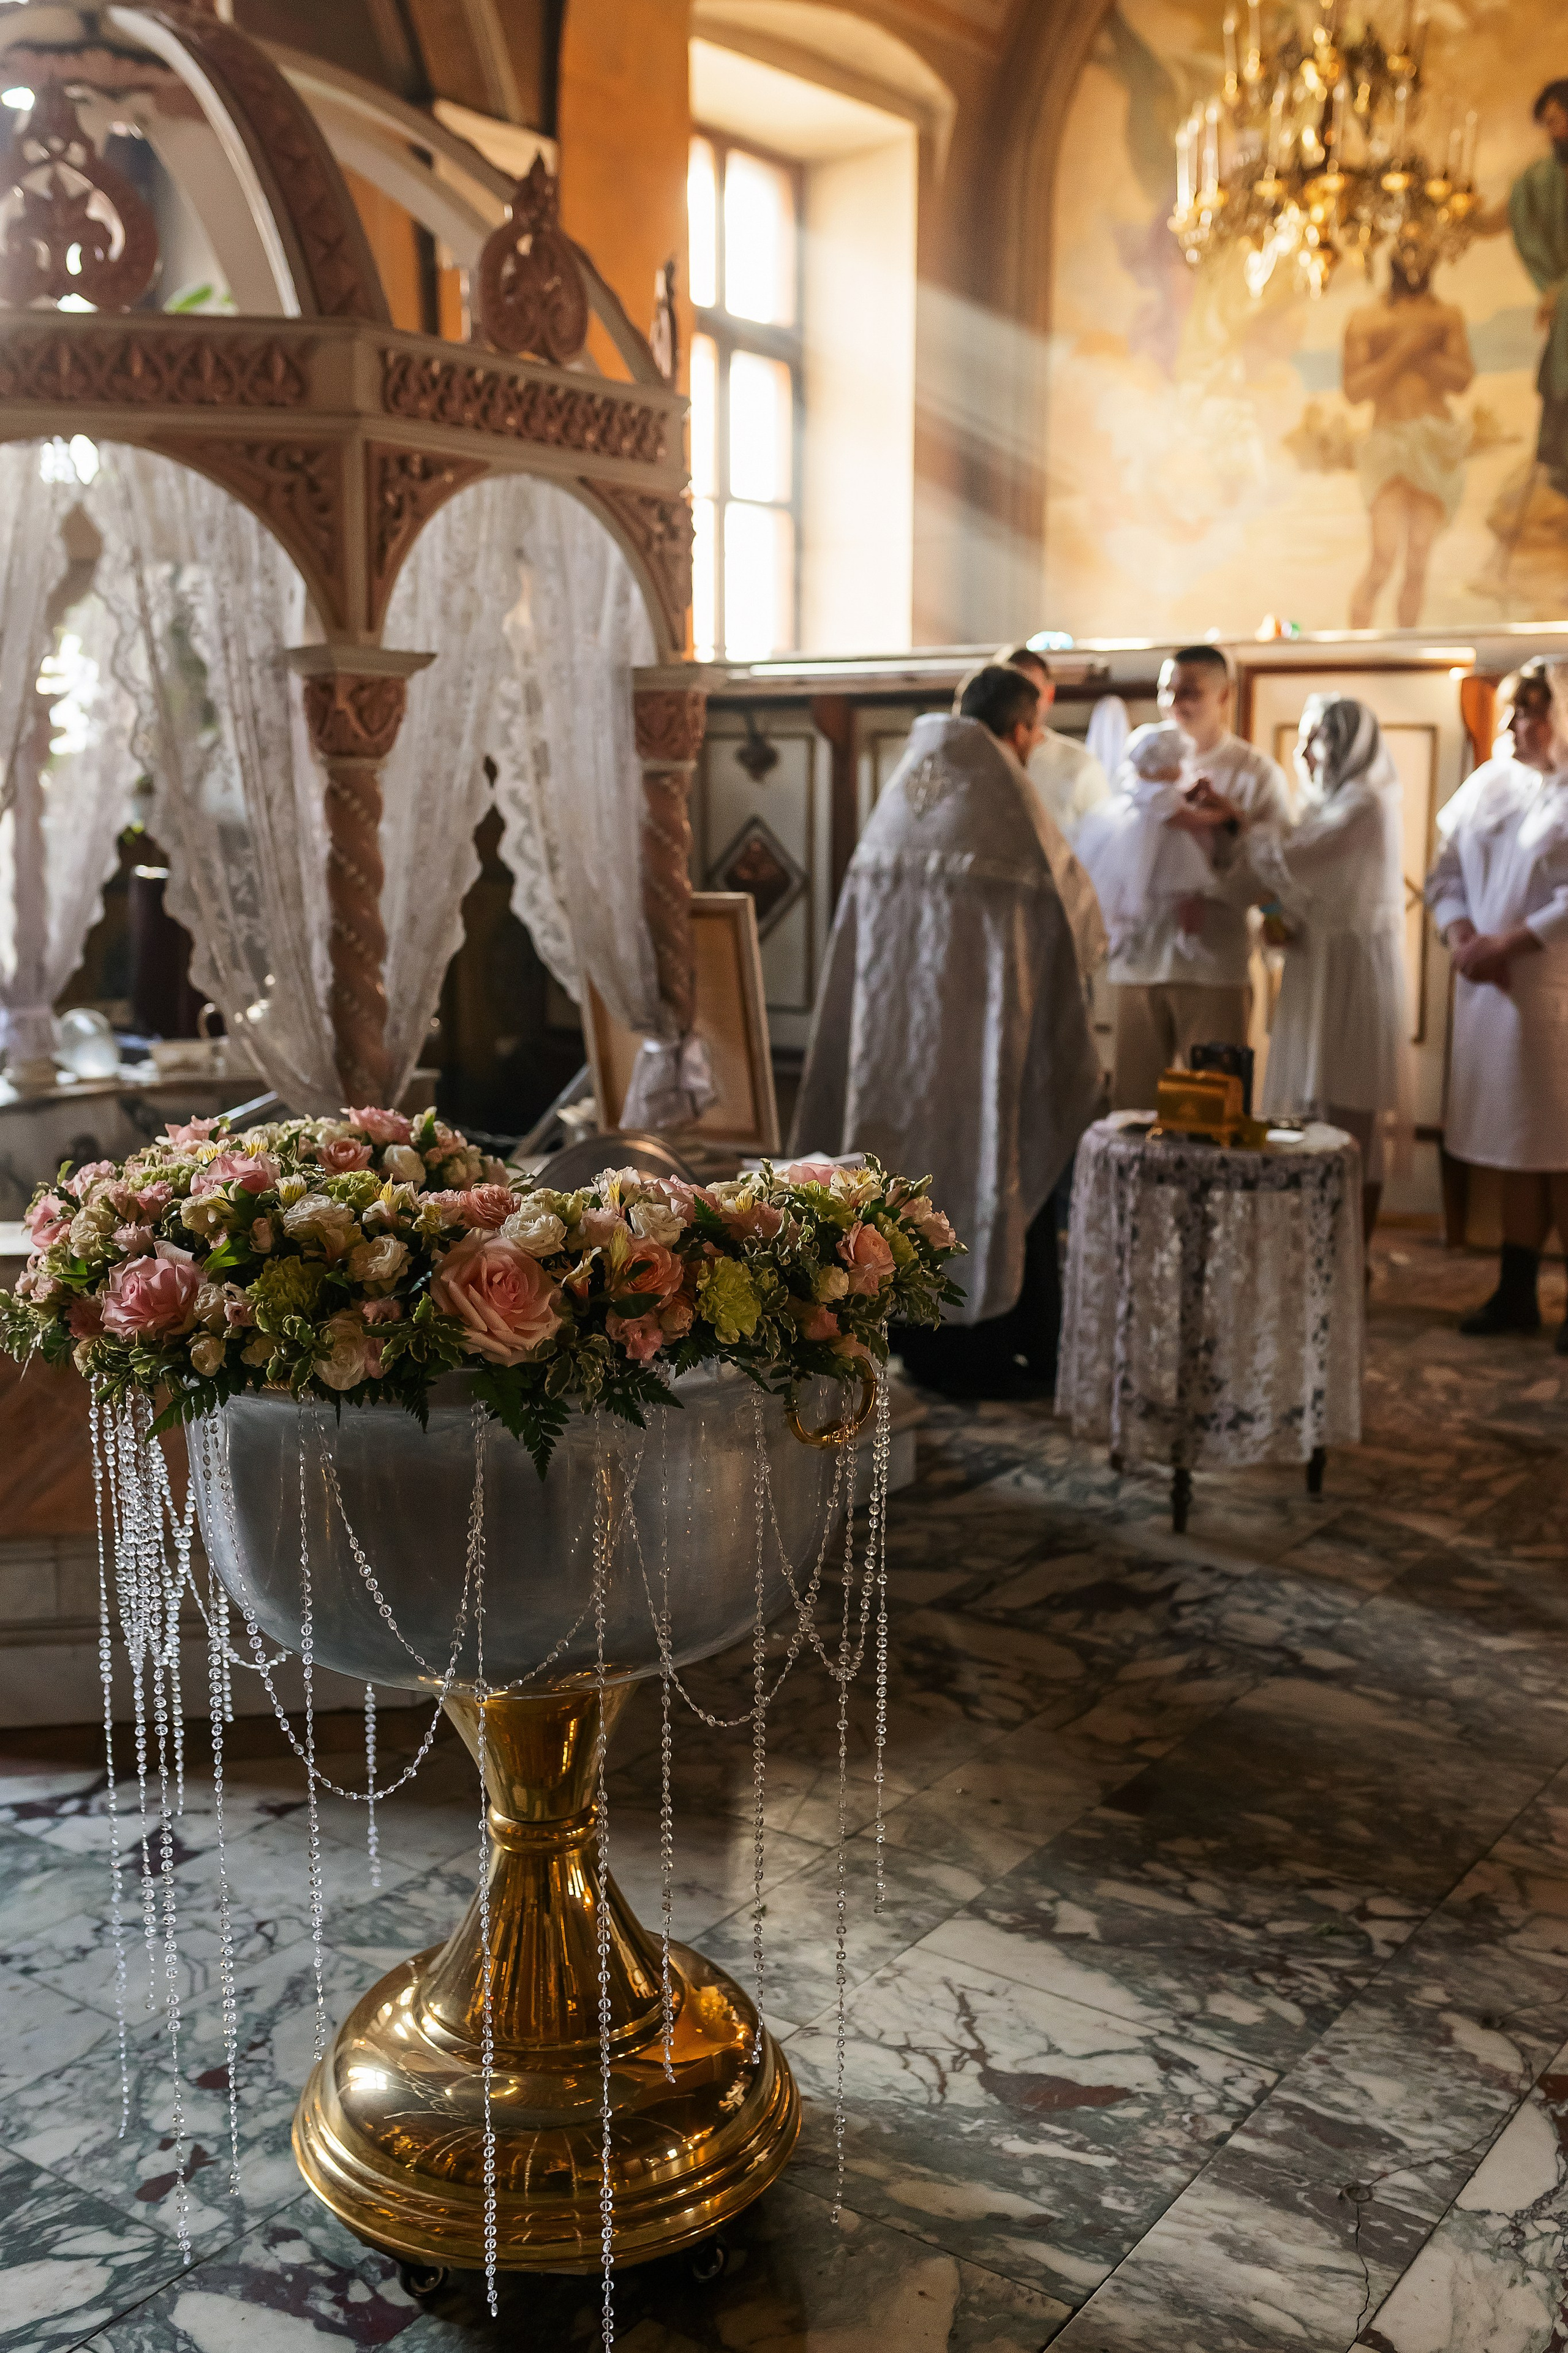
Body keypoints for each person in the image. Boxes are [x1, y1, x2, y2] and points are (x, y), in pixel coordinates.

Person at [791, 662, 1102, 1396]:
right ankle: (985, 1346)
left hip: (887, 1055)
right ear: (1021, 729)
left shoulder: (901, 792)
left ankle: (898, 1330)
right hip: (975, 1056)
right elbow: (1079, 917)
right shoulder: (1004, 801)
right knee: (986, 1173)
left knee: (891, 1177)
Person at [1223, 694, 1409, 1247]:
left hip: (1354, 973)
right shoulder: (1315, 805)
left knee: (1352, 1116)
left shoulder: (1365, 805)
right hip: (1313, 972)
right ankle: (1311, 1248)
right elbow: (1286, 888)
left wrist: (1239, 822)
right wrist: (1278, 918)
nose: (1302, 752)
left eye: (1316, 739)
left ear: (1349, 746)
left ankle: (1351, 1254)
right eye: (1301, 738)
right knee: (1304, 1111)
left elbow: (1289, 859)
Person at [1425, 658, 1568, 1345]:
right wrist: (1460, 934)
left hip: (1548, 987)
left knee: (1560, 1146)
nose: (1517, 725)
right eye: (1512, 710)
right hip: (1486, 985)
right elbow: (1445, 869)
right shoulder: (1488, 782)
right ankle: (1516, 1291)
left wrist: (1507, 942)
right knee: (1517, 1142)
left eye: (1535, 712)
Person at [1109, 644, 1291, 1112]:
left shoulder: (1255, 773)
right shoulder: (1139, 766)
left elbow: (1273, 867)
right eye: (1166, 690)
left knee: (1212, 1116)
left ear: (1224, 695)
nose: (1174, 703)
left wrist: (1229, 827)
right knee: (1133, 1112)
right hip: (1140, 961)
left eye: (1189, 691)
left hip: (1212, 965)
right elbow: (1117, 850)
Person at [1342, 235, 1475, 630]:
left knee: (1418, 559)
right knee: (1383, 557)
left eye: (1423, 252)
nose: (1414, 261)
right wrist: (1403, 351)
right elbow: (1355, 389)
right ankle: (1354, 652)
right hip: (1388, 444)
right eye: (1407, 252)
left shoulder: (1447, 316)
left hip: (1435, 443)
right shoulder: (1366, 319)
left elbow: (1462, 377)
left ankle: (1408, 648)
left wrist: (1418, 351)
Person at [1077, 722, 1223, 969]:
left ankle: (1126, 938)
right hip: (1166, 852)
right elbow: (1183, 819)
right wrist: (1220, 815)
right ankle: (1188, 936)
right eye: (1176, 764)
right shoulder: (1162, 794)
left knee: (1130, 893)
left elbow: (1174, 807)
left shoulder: (1142, 789)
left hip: (1137, 849)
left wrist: (1189, 795)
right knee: (1189, 896)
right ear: (1164, 768)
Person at [1508, 80, 1568, 501]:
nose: (1554, 129)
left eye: (1558, 118)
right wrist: (1555, 288)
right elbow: (1527, 234)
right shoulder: (1538, 180)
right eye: (1547, 123)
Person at [1003, 645, 1111, 843]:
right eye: (1009, 695)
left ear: (1049, 694)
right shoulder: (976, 762)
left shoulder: (1082, 765)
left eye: (1031, 692)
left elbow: (1105, 845)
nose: (1020, 704)